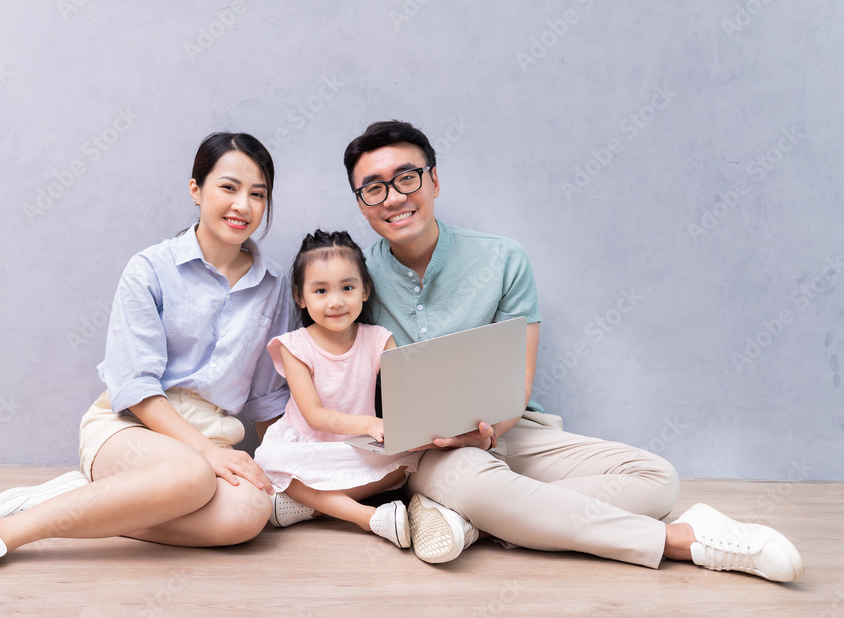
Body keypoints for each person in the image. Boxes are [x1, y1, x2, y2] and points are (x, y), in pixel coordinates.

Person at [337, 119, 804, 581]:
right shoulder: (352, 281)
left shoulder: (502, 258)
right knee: (472, 481)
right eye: (373, 189)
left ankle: (473, 520)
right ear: (361, 205)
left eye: (406, 178)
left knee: (658, 479)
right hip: (424, 453)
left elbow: (517, 381)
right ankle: (684, 541)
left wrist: (488, 434)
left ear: (433, 179)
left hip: (508, 429)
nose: (394, 197)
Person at [0, 132, 292, 587]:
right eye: (229, 187)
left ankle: (85, 500)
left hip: (211, 441)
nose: (243, 206)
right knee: (191, 474)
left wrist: (283, 472)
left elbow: (266, 397)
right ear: (196, 190)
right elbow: (135, 387)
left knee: (251, 515)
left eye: (258, 194)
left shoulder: (273, 285)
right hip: (132, 429)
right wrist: (202, 454)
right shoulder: (150, 269)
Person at [253, 230, 421, 548]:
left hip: (359, 447)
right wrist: (370, 423)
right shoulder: (294, 346)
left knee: (408, 463)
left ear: (365, 290)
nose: (336, 301)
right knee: (269, 458)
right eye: (320, 290)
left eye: (347, 287)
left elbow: (406, 394)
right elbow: (315, 416)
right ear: (301, 297)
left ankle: (308, 507)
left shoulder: (379, 339)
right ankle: (367, 518)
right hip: (307, 444)